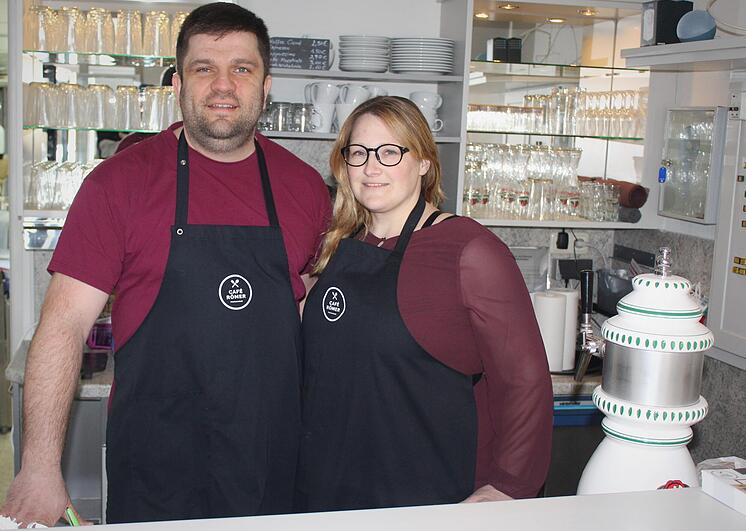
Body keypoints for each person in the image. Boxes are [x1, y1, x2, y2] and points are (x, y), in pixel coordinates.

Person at [1, 3, 330, 526]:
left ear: (267, 87)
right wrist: (39, 467)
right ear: (177, 84)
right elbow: (62, 326)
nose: (223, 85)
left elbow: (317, 319)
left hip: (271, 462)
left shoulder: (305, 189)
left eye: (241, 69)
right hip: (156, 463)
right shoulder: (120, 184)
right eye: (205, 68)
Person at [298, 96, 552, 512]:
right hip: (331, 479)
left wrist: (509, 485)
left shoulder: (468, 249)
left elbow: (524, 379)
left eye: (390, 152)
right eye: (359, 152)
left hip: (424, 485)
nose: (371, 166)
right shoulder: (340, 245)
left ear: (423, 163)